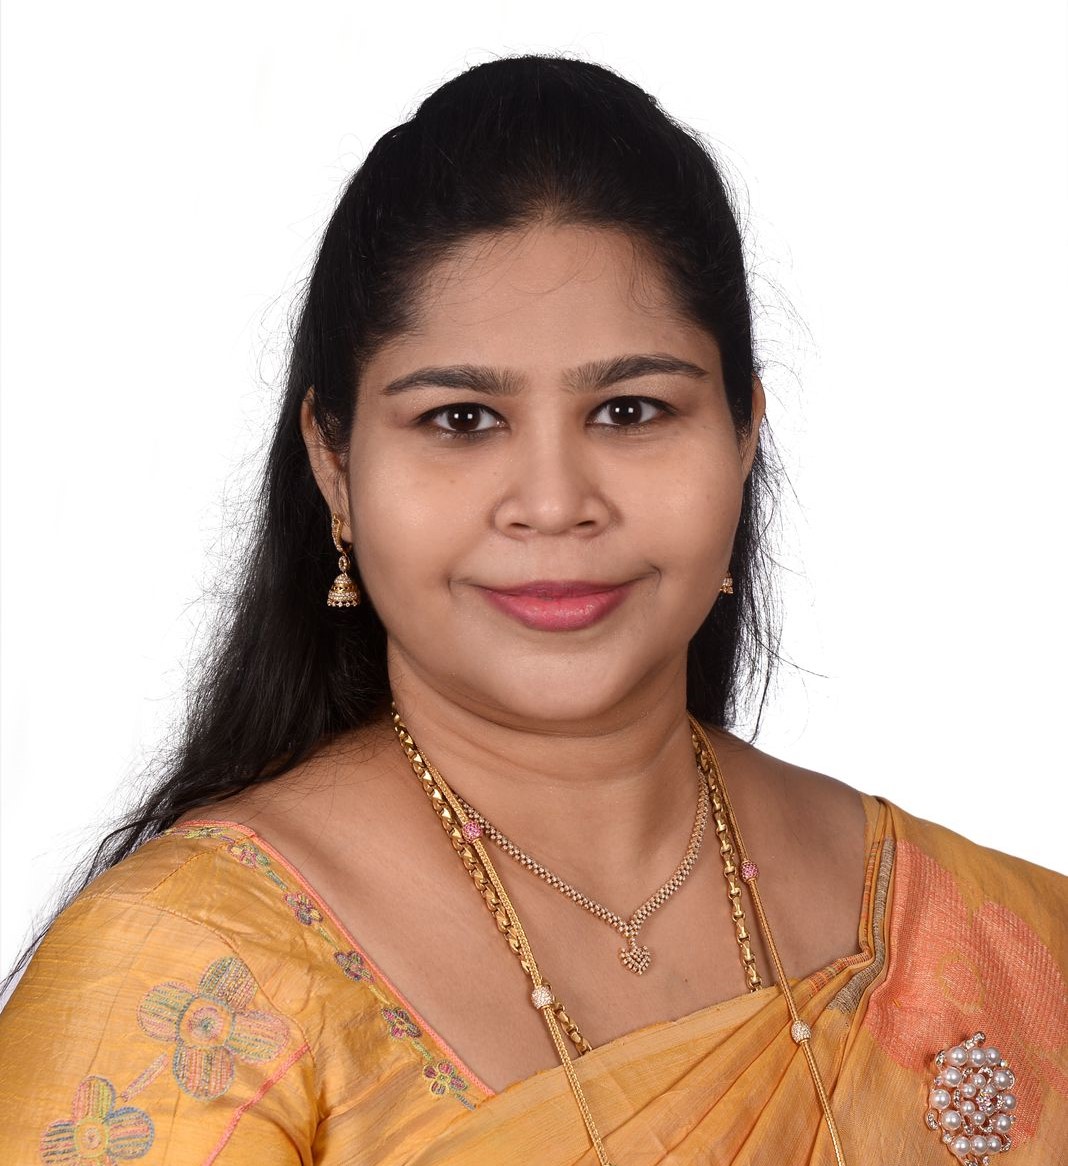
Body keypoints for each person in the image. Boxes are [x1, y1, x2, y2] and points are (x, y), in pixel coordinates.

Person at [0, 53, 1064, 1166]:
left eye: (631, 409)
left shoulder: (1003, 952)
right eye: (461, 419)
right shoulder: (190, 981)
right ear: (334, 466)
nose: (555, 504)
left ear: (744, 435)